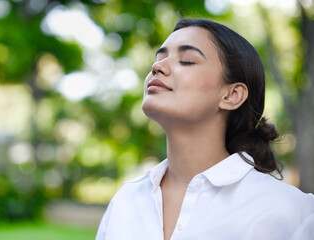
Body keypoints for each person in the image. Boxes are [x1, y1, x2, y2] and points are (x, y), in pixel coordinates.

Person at [96, 18, 314, 240]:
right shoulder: (125, 201)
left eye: (187, 61)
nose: (157, 66)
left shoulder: (292, 212)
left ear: (231, 95)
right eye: (160, 58)